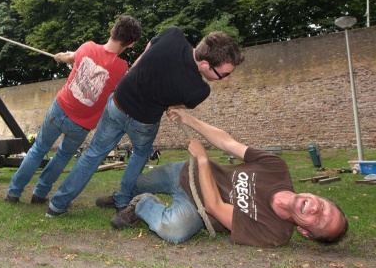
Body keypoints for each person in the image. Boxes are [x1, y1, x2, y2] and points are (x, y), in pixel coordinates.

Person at [46, 27, 244, 217]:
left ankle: (57, 205)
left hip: (118, 104)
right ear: (204, 65)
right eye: (224, 74)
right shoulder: (200, 91)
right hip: (144, 122)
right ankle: (123, 200)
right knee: (140, 154)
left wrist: (135, 72)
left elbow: (145, 53)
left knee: (93, 154)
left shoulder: (173, 34)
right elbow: (174, 105)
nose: (225, 79)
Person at [109, 108, 349, 247]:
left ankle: (142, 204)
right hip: (186, 172)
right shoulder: (276, 168)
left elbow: (213, 207)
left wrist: (203, 158)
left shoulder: (275, 233)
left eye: (321, 222)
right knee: (132, 182)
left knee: (174, 229)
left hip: (197, 208)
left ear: (305, 232)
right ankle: (122, 196)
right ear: (318, 197)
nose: (318, 210)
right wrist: (187, 118)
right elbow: (227, 142)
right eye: (326, 208)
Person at [4, 15, 142, 204]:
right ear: (131, 44)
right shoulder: (121, 68)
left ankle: (13, 193)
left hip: (59, 109)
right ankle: (40, 194)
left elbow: (70, 57)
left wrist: (61, 58)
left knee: (38, 149)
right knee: (63, 156)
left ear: (112, 31)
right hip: (81, 125)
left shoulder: (87, 47)